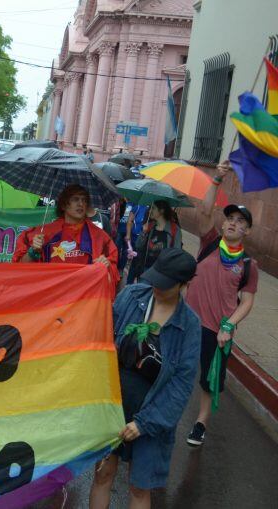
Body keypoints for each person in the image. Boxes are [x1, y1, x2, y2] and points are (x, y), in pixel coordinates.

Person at [89, 248, 200, 509]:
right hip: (114, 405)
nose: (157, 287)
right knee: (102, 474)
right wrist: (94, 278)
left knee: (139, 488)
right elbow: (101, 335)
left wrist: (145, 423)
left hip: (152, 417)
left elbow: (181, 387)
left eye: (166, 284)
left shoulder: (189, 326)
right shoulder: (131, 296)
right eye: (156, 279)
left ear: (184, 284)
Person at [185, 161, 258, 447]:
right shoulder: (210, 241)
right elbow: (205, 210)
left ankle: (200, 423)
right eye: (230, 218)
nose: (233, 223)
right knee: (173, 366)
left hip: (217, 330)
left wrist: (229, 325)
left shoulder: (248, 264)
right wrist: (216, 179)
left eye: (241, 222)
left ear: (248, 231)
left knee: (208, 379)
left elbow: (248, 300)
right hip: (188, 320)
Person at [12, 184, 118, 286]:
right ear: (63, 205)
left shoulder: (99, 237)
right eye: (75, 199)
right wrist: (33, 251)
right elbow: (20, 270)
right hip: (52, 298)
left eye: (84, 200)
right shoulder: (43, 234)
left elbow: (111, 279)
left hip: (84, 299)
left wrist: (106, 266)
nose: (81, 204)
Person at [126, 200, 181, 284]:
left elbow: (176, 253)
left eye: (153, 208)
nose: (150, 210)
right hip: (146, 270)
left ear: (161, 211)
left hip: (162, 273)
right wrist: (144, 232)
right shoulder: (150, 226)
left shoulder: (174, 229)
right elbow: (138, 246)